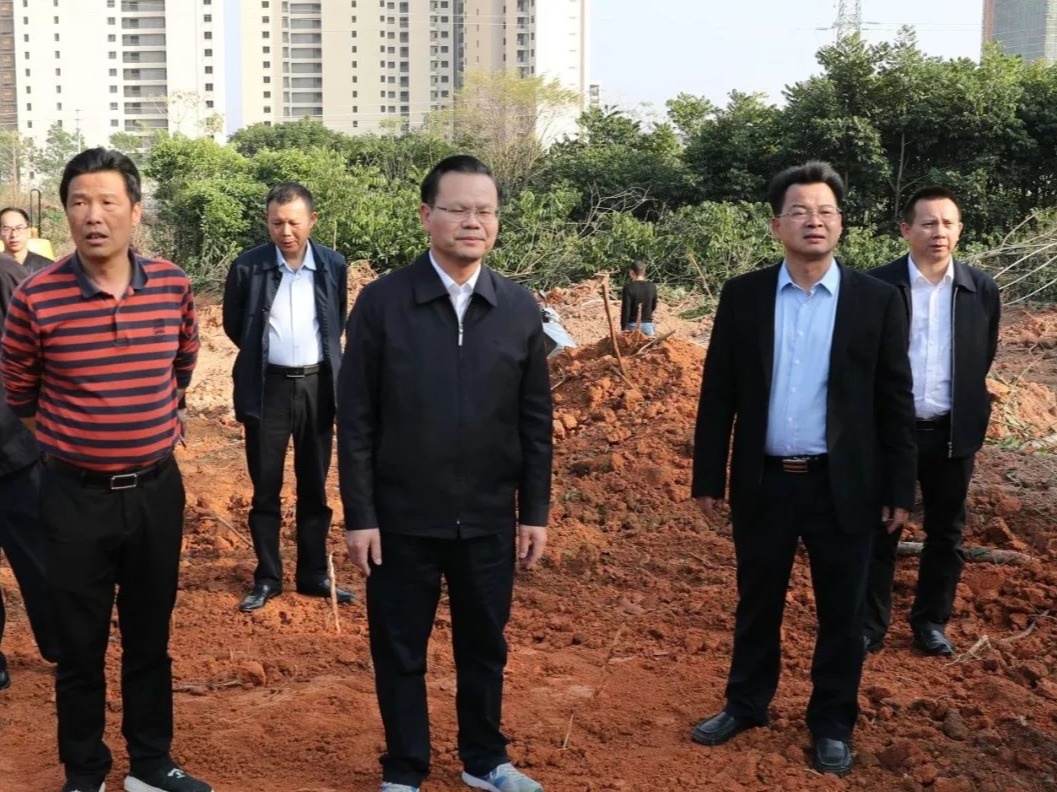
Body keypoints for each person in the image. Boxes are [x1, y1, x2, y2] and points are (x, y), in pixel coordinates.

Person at [690, 161, 916, 777]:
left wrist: (901, 486)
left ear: (840, 224)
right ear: (776, 225)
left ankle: (832, 723)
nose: (813, 221)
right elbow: (719, 393)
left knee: (842, 611)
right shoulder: (744, 296)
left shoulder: (877, 300)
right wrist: (708, 476)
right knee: (757, 601)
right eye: (799, 211)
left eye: (825, 211)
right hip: (764, 481)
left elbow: (895, 400)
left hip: (844, 487)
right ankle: (745, 704)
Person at [338, 155, 552, 792]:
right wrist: (361, 515)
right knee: (399, 649)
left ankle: (485, 760)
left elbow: (535, 420)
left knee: (485, 646)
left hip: (487, 517)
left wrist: (535, 511)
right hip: (401, 519)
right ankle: (404, 768)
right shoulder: (383, 303)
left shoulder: (517, 307)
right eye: (458, 209)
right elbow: (356, 420)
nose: (473, 222)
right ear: (426, 215)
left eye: (485, 211)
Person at [0, 147, 211, 792]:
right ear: (64, 215)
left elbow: (183, 364)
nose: (94, 216)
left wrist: (144, 428)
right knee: (80, 643)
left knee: (150, 635)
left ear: (135, 211)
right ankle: (84, 769)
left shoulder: (172, 285)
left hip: (155, 492)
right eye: (79, 203)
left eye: (108, 202)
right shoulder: (36, 297)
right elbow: (21, 394)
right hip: (73, 497)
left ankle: (150, 763)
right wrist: (79, 444)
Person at [864, 187, 1001, 658]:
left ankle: (931, 622)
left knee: (946, 533)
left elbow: (982, 356)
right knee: (881, 528)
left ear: (959, 230)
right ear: (906, 230)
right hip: (889, 434)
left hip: (950, 433)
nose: (938, 232)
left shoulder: (980, 289)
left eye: (947, 223)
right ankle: (870, 625)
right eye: (927, 223)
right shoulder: (877, 286)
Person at [222, 181, 354, 612]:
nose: (286, 232)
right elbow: (236, 326)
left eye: (294, 222)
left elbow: (336, 320)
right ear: (268, 222)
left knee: (314, 486)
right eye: (277, 223)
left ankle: (313, 574)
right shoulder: (248, 267)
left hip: (318, 386)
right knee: (266, 489)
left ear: (312, 220)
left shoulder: (332, 265)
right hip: (268, 388)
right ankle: (268, 577)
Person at [0, 250, 59, 692]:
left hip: (12, 448)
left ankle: (61, 645)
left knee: (38, 557)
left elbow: (33, 350)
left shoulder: (5, 274)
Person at [0, 206, 53, 273]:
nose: (13, 235)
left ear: (29, 232)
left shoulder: (48, 267)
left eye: (19, 228)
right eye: (7, 229)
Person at [620, 260, 658, 335]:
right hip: (647, 325)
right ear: (644, 272)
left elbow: (626, 310)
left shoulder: (628, 287)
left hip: (632, 325)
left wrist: (623, 328)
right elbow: (653, 306)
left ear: (631, 272)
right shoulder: (652, 287)